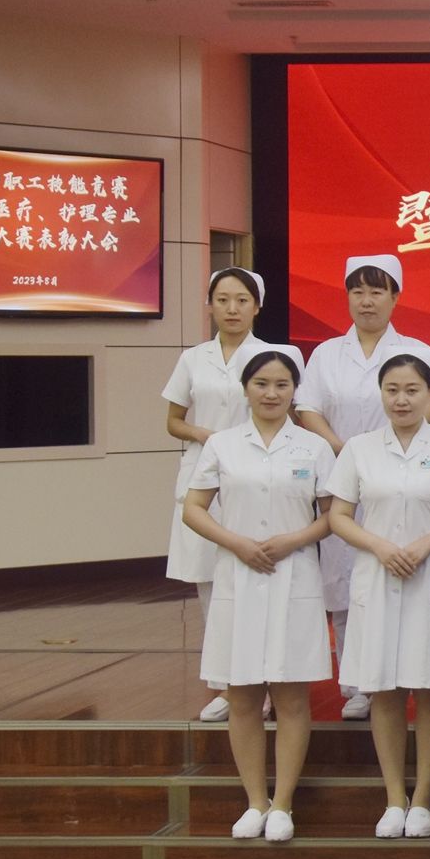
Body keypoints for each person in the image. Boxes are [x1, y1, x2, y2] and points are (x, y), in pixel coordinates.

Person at [181, 350, 333, 844]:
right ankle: (254, 802)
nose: (271, 393)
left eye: (282, 384)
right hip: (238, 575)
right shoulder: (222, 444)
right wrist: (237, 543)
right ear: (245, 389)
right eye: (261, 383)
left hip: (295, 576)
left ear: (294, 392)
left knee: (291, 697)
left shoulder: (313, 447)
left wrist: (294, 539)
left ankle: (283, 803)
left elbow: (334, 515)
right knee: (243, 695)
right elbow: (193, 509)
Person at [296, 254, 430, 721]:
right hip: (344, 473)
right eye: (358, 291)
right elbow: (308, 409)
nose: (367, 301)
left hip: (408, 474)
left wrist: (382, 450)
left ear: (395, 297)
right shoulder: (326, 354)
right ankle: (356, 683)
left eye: (377, 291)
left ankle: (420, 676)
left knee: (413, 580)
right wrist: (346, 449)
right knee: (345, 581)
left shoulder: (420, 351)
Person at [325, 355, 430, 840]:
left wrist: (426, 544)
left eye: (412, 390)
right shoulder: (359, 448)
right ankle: (393, 797)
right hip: (377, 576)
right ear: (381, 394)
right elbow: (338, 516)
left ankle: (422, 797)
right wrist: (380, 546)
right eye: (392, 390)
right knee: (384, 690)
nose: (401, 400)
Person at [162, 268, 301, 723]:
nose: (232, 309)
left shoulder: (274, 357)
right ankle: (227, 685)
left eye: (242, 300)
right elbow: (174, 421)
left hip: (257, 479)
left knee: (262, 579)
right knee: (211, 584)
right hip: (205, 476)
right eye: (222, 299)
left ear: (257, 306)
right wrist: (211, 437)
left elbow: (289, 415)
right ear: (210, 305)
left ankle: (267, 683)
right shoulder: (192, 358)